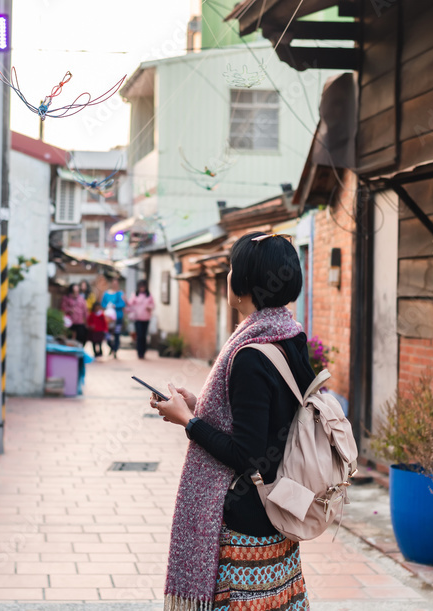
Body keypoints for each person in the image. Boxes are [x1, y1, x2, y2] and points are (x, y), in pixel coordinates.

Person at [150, 232, 310, 610]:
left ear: (244, 285)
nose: (228, 275)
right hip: (279, 507)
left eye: (233, 268)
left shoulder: (250, 354)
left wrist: (189, 422)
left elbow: (248, 454)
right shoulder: (290, 335)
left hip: (246, 521)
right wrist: (198, 405)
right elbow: (275, 417)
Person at [126, 281, 156, 360]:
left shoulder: (148, 295)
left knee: (144, 336)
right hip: (137, 318)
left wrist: (149, 307)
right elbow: (130, 304)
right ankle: (139, 352)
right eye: (141, 286)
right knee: (139, 336)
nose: (142, 288)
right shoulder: (135, 295)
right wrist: (125, 301)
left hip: (146, 318)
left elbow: (153, 305)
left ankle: (143, 351)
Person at [100, 279, 126, 359]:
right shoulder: (106, 294)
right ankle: (112, 347)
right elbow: (102, 303)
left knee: (117, 334)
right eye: (113, 283)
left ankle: (115, 350)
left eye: (116, 283)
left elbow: (123, 303)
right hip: (108, 318)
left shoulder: (120, 293)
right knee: (107, 335)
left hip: (118, 318)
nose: (115, 285)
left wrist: (115, 306)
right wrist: (107, 306)